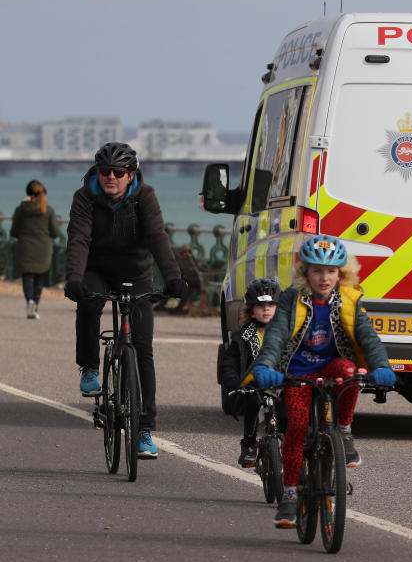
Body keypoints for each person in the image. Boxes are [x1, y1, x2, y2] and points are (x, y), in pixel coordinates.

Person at [251, 234, 396, 528]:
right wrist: (266, 366)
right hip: (297, 373)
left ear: (342, 273)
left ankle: (343, 431)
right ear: (304, 272)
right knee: (298, 427)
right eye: (317, 270)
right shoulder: (292, 298)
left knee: (349, 370)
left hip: (331, 368)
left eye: (331, 271)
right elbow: (276, 335)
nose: (324, 277)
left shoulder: (349, 298)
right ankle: (290, 495)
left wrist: (381, 366)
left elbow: (367, 337)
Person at [64, 142, 189, 459]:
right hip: (96, 268)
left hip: (135, 271)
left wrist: (173, 277)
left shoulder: (144, 197)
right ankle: (90, 366)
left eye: (118, 172)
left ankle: (145, 429)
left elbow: (158, 237)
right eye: (105, 171)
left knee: (143, 348)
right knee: (89, 302)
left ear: (130, 175)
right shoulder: (85, 198)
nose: (111, 177)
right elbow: (78, 238)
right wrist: (74, 279)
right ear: (97, 172)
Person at [218, 277, 282, 467]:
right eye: (260, 305)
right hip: (254, 386)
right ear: (251, 310)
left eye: (271, 304)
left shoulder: (288, 335)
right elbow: (229, 364)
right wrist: (232, 381)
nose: (266, 309)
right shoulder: (242, 339)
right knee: (253, 399)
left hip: (282, 384)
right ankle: (249, 444)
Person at [10, 180, 59, 319]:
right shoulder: (48, 210)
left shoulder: (20, 209)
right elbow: (55, 232)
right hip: (43, 249)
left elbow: (13, 232)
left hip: (25, 248)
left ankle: (29, 301)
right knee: (39, 278)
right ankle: (35, 307)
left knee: (28, 277)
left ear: (27, 193)